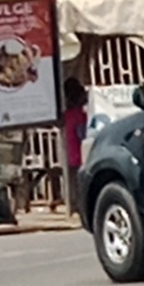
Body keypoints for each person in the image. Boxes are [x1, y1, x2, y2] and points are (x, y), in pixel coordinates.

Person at [60, 77, 89, 210]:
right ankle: (80, 206)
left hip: (67, 156)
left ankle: (72, 205)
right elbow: (82, 135)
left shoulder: (65, 116)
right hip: (80, 155)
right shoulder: (81, 116)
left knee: (71, 184)